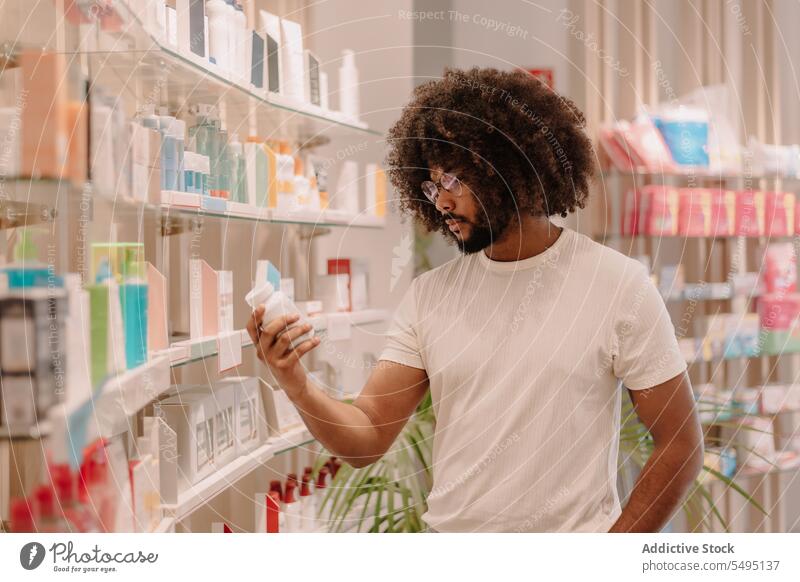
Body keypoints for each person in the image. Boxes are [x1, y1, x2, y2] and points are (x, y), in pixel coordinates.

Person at [246, 67, 703, 533]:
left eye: (451, 182)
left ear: (505, 167)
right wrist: (296, 383)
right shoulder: (431, 296)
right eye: (429, 187)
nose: (440, 203)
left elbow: (680, 442)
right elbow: (365, 439)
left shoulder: (616, 284)